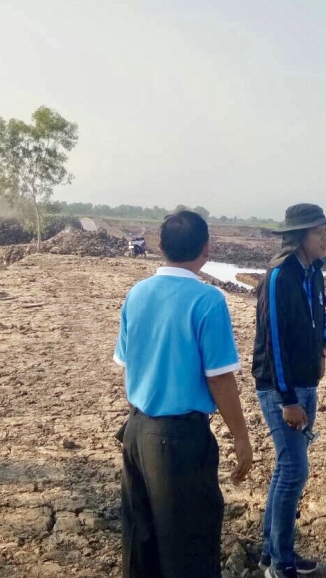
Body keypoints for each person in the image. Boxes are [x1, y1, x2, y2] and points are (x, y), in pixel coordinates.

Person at [114, 210, 253, 578]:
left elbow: (128, 363)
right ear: (206, 249)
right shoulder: (207, 300)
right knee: (189, 547)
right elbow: (220, 380)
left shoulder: (137, 294)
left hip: (137, 430)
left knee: (141, 543)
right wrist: (241, 438)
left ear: (160, 246)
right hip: (179, 439)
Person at [252, 203, 326, 578]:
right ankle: (280, 562)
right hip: (280, 389)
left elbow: (321, 313)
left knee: (286, 468)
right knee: (294, 470)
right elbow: (274, 341)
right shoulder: (279, 275)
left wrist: (322, 348)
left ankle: (271, 551)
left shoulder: (313, 271)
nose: (325, 238)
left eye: (325, 231)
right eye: (319, 232)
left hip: (306, 382)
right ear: (300, 236)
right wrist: (287, 399)